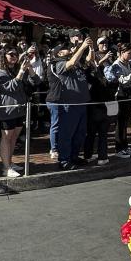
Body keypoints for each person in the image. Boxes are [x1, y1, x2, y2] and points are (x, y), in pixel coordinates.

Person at [0, 47, 37, 178]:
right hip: (7, 109)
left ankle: (9, 162)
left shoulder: (16, 70)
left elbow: (36, 82)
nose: (14, 56)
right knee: (6, 137)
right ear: (4, 56)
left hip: (19, 108)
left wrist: (28, 68)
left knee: (14, 138)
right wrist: (21, 72)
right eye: (11, 54)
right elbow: (9, 87)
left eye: (16, 54)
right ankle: (6, 168)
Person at [49, 37, 92, 170]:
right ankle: (64, 159)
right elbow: (72, 62)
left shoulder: (76, 62)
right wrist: (82, 47)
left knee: (80, 132)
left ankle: (74, 156)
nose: (69, 49)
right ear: (59, 53)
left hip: (81, 103)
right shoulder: (59, 63)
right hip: (69, 103)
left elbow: (89, 61)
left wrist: (91, 47)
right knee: (67, 133)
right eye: (66, 48)